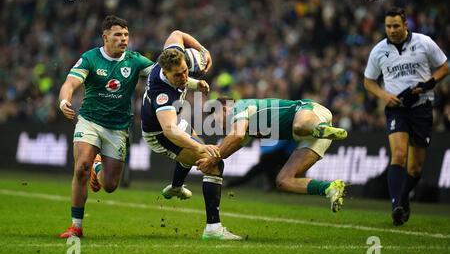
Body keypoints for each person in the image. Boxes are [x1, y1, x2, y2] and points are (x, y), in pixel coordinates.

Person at [58, 15, 154, 238]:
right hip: (90, 120)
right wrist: (64, 101)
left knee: (109, 185)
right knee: (81, 166)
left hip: (118, 127)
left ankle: (98, 167)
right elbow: (70, 83)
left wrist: (194, 82)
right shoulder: (90, 58)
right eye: (118, 35)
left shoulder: (135, 60)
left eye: (126, 35)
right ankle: (76, 227)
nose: (123, 39)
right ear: (105, 37)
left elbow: (164, 75)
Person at [141, 31, 242, 240]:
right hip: (159, 133)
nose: (184, 77)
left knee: (199, 147)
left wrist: (203, 52)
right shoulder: (162, 93)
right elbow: (170, 131)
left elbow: (177, 34)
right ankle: (213, 229)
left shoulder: (173, 54)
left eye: (186, 71)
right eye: (177, 76)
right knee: (212, 161)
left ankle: (176, 187)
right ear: (165, 73)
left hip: (174, 121)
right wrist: (200, 149)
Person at [363, 7, 449, 226]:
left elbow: (445, 66)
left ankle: (402, 198)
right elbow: (368, 81)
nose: (391, 30)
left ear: (405, 25)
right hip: (397, 109)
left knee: (415, 169)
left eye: (396, 26)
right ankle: (396, 205)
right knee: (399, 155)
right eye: (388, 26)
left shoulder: (424, 42)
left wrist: (430, 83)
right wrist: (383, 95)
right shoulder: (378, 51)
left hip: (421, 108)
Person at [197, 97, 348, 212]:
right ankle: (331, 188)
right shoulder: (246, 126)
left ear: (224, 108)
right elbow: (229, 148)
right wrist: (210, 159)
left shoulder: (238, 107)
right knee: (284, 181)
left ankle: (319, 127)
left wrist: (211, 160)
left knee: (299, 126)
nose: (216, 123)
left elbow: (236, 137)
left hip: (310, 111)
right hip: (311, 138)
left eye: (214, 117)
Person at [224, 140, 296, 191]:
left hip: (275, 155)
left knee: (267, 173)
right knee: (258, 173)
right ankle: (229, 184)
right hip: (273, 156)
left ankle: (229, 184)